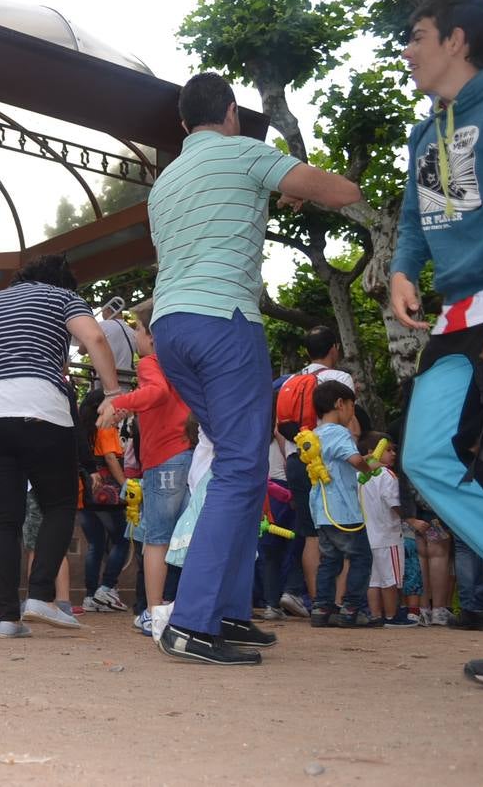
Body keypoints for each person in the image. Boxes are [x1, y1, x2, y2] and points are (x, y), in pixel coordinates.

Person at [137, 71, 361, 665]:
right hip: (224, 320)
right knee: (241, 464)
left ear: (185, 124)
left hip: (172, 326)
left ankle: (229, 612)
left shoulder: (167, 182)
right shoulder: (243, 152)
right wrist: (330, 185)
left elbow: (211, 225)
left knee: (238, 455)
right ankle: (191, 621)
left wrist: (274, 190)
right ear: (232, 112)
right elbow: (334, 191)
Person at [385, 0, 483, 686]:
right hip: (457, 314)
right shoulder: (424, 133)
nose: (407, 49)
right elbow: (408, 219)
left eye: (417, 35)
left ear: (456, 41)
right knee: (426, 456)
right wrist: (403, 269)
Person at [0, 254, 122, 638]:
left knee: (3, 516)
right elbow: (94, 337)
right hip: (41, 406)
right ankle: (41, 595)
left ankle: (7, 617)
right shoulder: (62, 298)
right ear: (63, 281)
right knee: (58, 503)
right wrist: (112, 393)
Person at [98, 298, 191, 636]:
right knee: (185, 537)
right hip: (186, 456)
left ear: (152, 336)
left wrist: (118, 402)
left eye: (137, 328)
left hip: (164, 459)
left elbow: (155, 392)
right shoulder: (183, 364)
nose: (135, 335)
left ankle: (153, 611)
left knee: (156, 539)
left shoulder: (151, 362)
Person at [278, 325, 356, 617]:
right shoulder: (339, 378)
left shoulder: (293, 379)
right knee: (341, 528)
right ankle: (337, 601)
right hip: (332, 463)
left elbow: (280, 428)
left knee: (310, 532)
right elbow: (348, 424)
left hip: (298, 459)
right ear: (334, 348)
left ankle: (316, 603)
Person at [306, 381, 379, 628]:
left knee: (330, 560)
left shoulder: (315, 435)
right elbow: (355, 459)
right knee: (361, 558)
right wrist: (369, 466)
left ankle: (321, 608)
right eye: (351, 406)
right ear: (340, 404)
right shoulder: (339, 433)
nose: (352, 413)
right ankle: (351, 609)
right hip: (344, 511)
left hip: (322, 512)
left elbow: (338, 461)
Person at [75, 388, 129, 614]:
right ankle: (106, 587)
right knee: (122, 539)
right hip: (107, 495)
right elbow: (110, 457)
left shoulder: (81, 429)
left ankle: (90, 595)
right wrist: (126, 485)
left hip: (83, 493)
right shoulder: (105, 427)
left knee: (95, 545)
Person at [358, 432, 412, 627]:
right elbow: (394, 503)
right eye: (388, 449)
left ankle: (376, 615)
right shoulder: (387, 475)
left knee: (374, 580)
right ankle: (391, 615)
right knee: (391, 579)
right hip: (388, 535)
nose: (393, 454)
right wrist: (409, 516)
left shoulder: (359, 475)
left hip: (369, 535)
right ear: (372, 452)